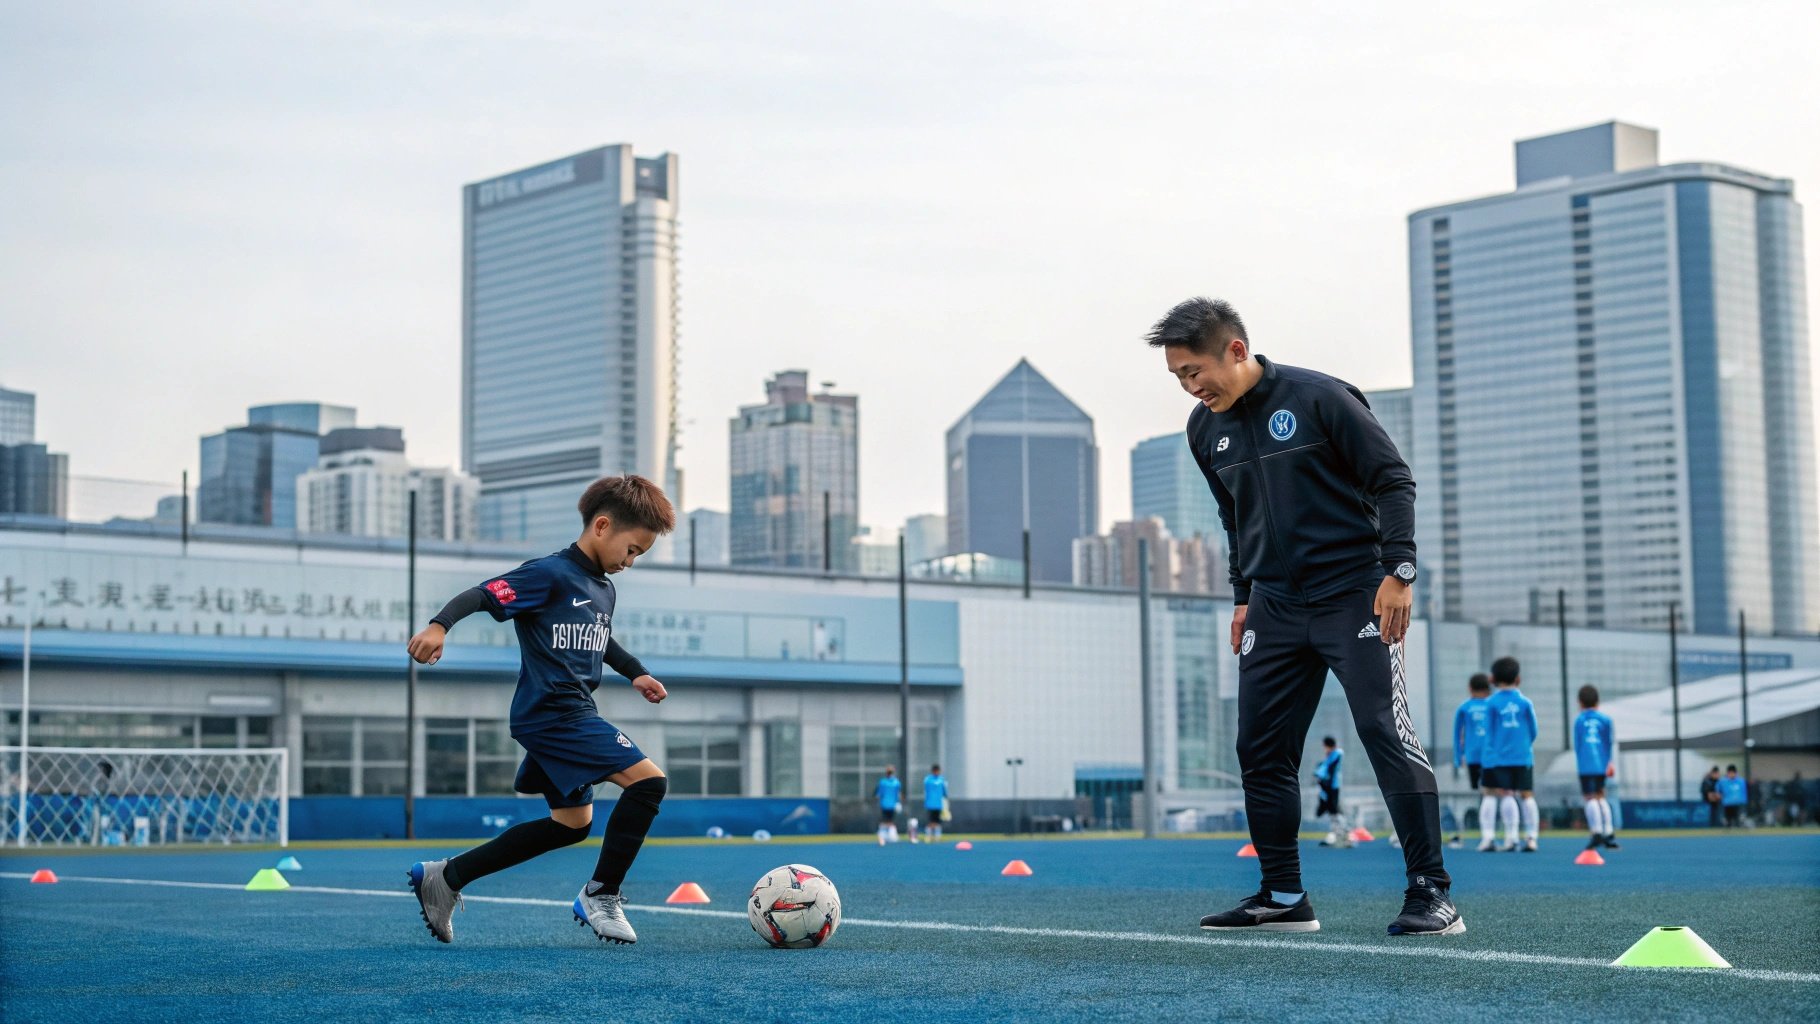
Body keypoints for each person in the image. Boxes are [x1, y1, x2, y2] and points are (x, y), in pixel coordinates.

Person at [1152, 298, 1458, 937]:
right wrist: (1242, 596)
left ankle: (1432, 894)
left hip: (1356, 595)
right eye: (1179, 377)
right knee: (1258, 749)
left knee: (1383, 730)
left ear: (1236, 350)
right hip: (1274, 607)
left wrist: (1398, 572)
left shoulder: (1321, 398)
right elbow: (1234, 518)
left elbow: (1392, 480)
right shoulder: (1204, 429)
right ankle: (1283, 896)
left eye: (1195, 370)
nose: (1190, 386)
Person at [403, 475, 676, 945]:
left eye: (639, 556)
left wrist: (635, 672)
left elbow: (601, 638)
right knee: (649, 782)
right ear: (603, 526)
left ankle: (445, 878)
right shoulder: (549, 573)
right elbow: (484, 593)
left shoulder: (604, 589)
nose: (630, 562)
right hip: (554, 714)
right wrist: (438, 625)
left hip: (567, 714)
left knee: (571, 827)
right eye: (631, 550)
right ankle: (602, 894)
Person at [1480, 657, 1539, 853]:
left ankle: (1510, 838)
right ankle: (1531, 838)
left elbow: (1488, 731)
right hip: (1523, 756)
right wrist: (1522, 746)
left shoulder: (1491, 703)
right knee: (1527, 795)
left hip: (1499, 758)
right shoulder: (1525, 702)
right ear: (1518, 679)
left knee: (1504, 793)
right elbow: (1534, 730)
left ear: (1494, 679)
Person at [1572, 685, 1619, 850]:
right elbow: (1609, 743)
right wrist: (1610, 762)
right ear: (1598, 701)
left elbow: (1577, 745)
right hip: (1602, 765)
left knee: (1589, 798)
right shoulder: (1605, 720)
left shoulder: (1579, 720)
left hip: (1586, 765)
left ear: (1580, 703)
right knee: (1601, 796)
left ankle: (1596, 832)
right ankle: (1609, 833)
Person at [1452, 674, 1492, 846]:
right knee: (1491, 793)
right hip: (1493, 757)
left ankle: (1482, 832)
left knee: (1481, 792)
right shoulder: (1493, 705)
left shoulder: (1464, 707)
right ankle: (1489, 833)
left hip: (1472, 756)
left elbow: (1457, 734)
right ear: (1489, 689)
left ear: (1470, 688)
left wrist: (1457, 757)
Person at [1314, 737, 1349, 847]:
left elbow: (1329, 770)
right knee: (1333, 810)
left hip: (1332, 787)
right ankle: (1339, 834)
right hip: (1329, 787)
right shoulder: (1332, 756)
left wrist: (1323, 780)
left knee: (1334, 810)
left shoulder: (1336, 754)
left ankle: (1342, 834)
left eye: (1325, 746)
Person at [875, 766, 903, 845]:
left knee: (885, 821)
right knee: (890, 821)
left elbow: (879, 794)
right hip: (892, 805)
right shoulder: (896, 782)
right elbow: (899, 794)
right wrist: (899, 803)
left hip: (884, 804)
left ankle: (883, 836)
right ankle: (888, 836)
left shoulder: (883, 782)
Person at [922, 765, 950, 842]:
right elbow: (926, 791)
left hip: (938, 804)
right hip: (930, 803)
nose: (937, 772)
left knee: (937, 821)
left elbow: (945, 793)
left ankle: (937, 836)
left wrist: (945, 803)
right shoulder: (928, 779)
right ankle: (928, 835)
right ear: (933, 771)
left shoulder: (941, 780)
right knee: (931, 821)